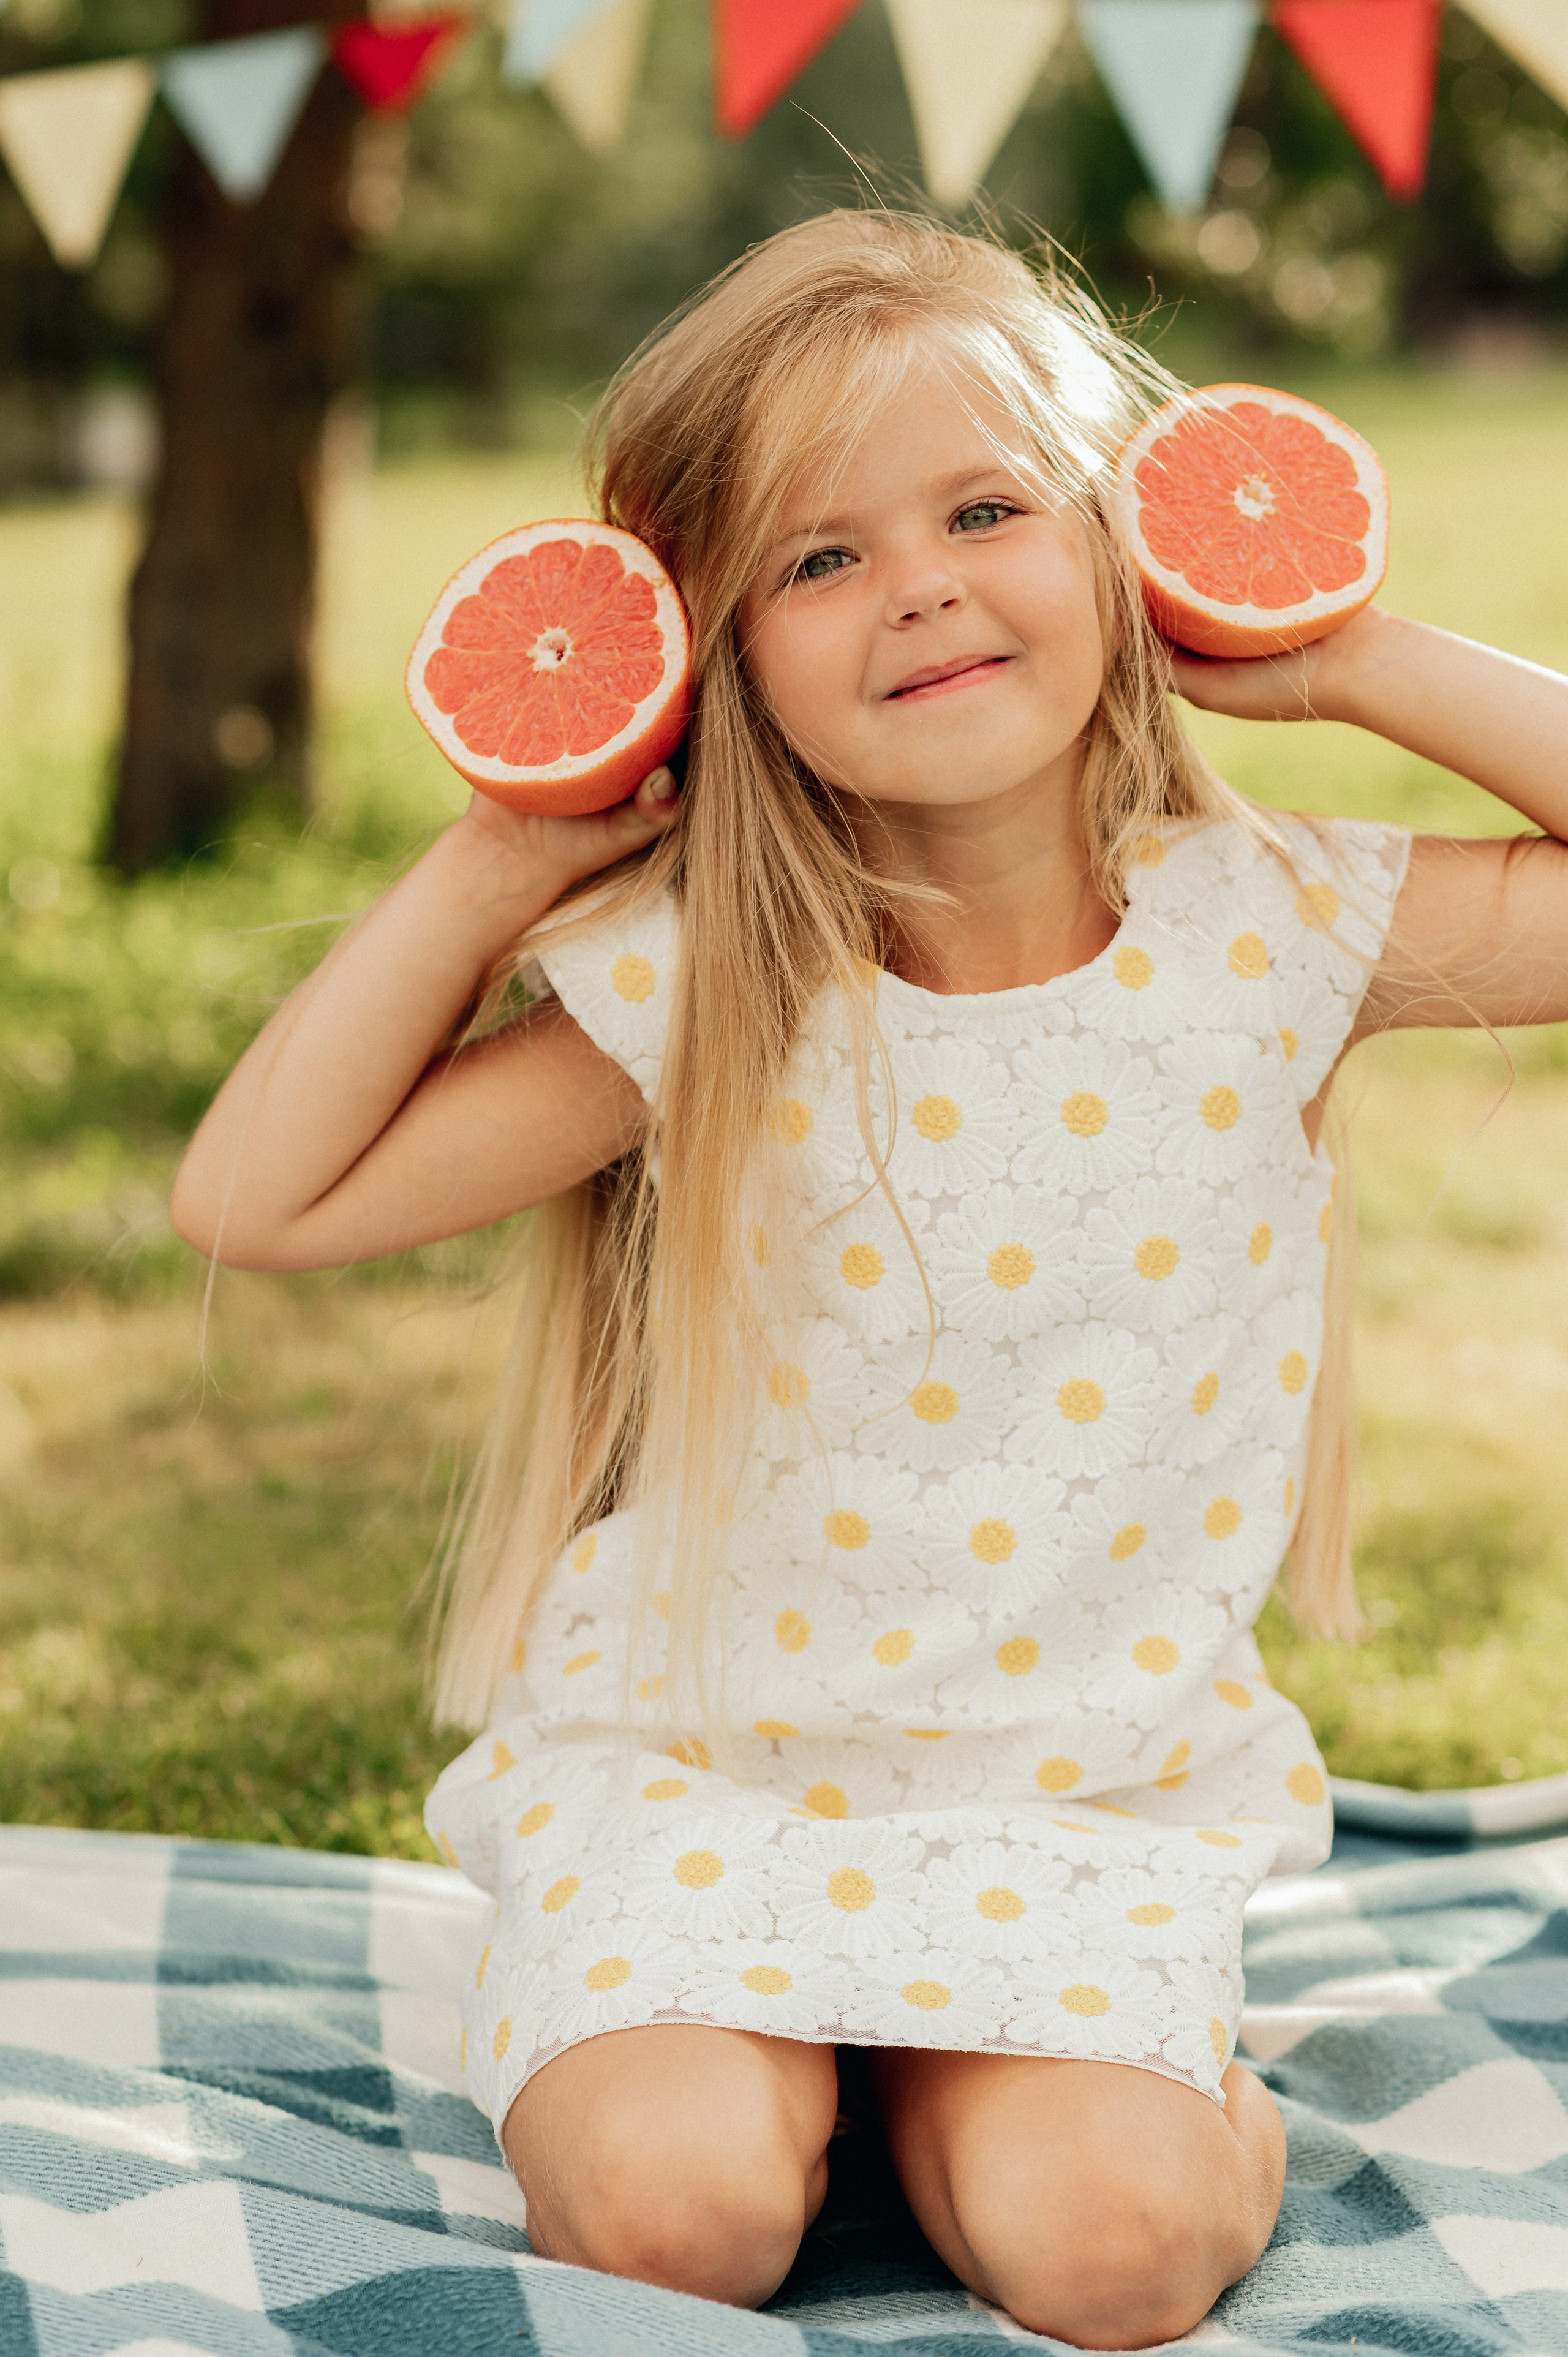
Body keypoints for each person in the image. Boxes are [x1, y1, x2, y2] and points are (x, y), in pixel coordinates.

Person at [171, 211, 1568, 2348]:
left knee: (1112, 2256)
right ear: (714, 653)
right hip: (702, 1779)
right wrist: (502, 854)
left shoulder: (1280, 930)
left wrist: (1348, 657)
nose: (917, 583)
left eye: (987, 512)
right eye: (817, 557)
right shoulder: (711, 992)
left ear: (1113, 544)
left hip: (1073, 1798)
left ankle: (1011, 2069)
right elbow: (255, 1198)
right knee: (672, 2220)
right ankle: (762, 2038)